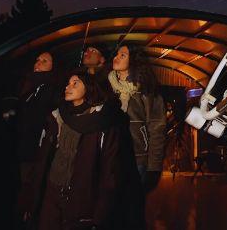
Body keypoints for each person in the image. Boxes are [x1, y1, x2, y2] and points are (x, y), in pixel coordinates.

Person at [19, 69, 141, 229]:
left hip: (80, 199)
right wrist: (31, 200)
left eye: (75, 83)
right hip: (51, 193)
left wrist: (100, 217)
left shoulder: (101, 122)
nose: (68, 87)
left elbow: (110, 172)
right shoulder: (58, 116)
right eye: (68, 83)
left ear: (89, 88)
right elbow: (42, 160)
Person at [108, 43, 166, 193]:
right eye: (116, 54)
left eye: (123, 55)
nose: (116, 57)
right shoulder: (106, 87)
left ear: (133, 60)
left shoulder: (147, 89)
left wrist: (154, 167)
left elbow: (157, 129)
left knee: (132, 205)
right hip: (108, 156)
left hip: (136, 157)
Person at [16, 52, 60, 185]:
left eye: (44, 61)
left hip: (33, 151)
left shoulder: (53, 89)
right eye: (37, 60)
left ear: (53, 67)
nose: (38, 63)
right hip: (18, 145)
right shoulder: (27, 83)